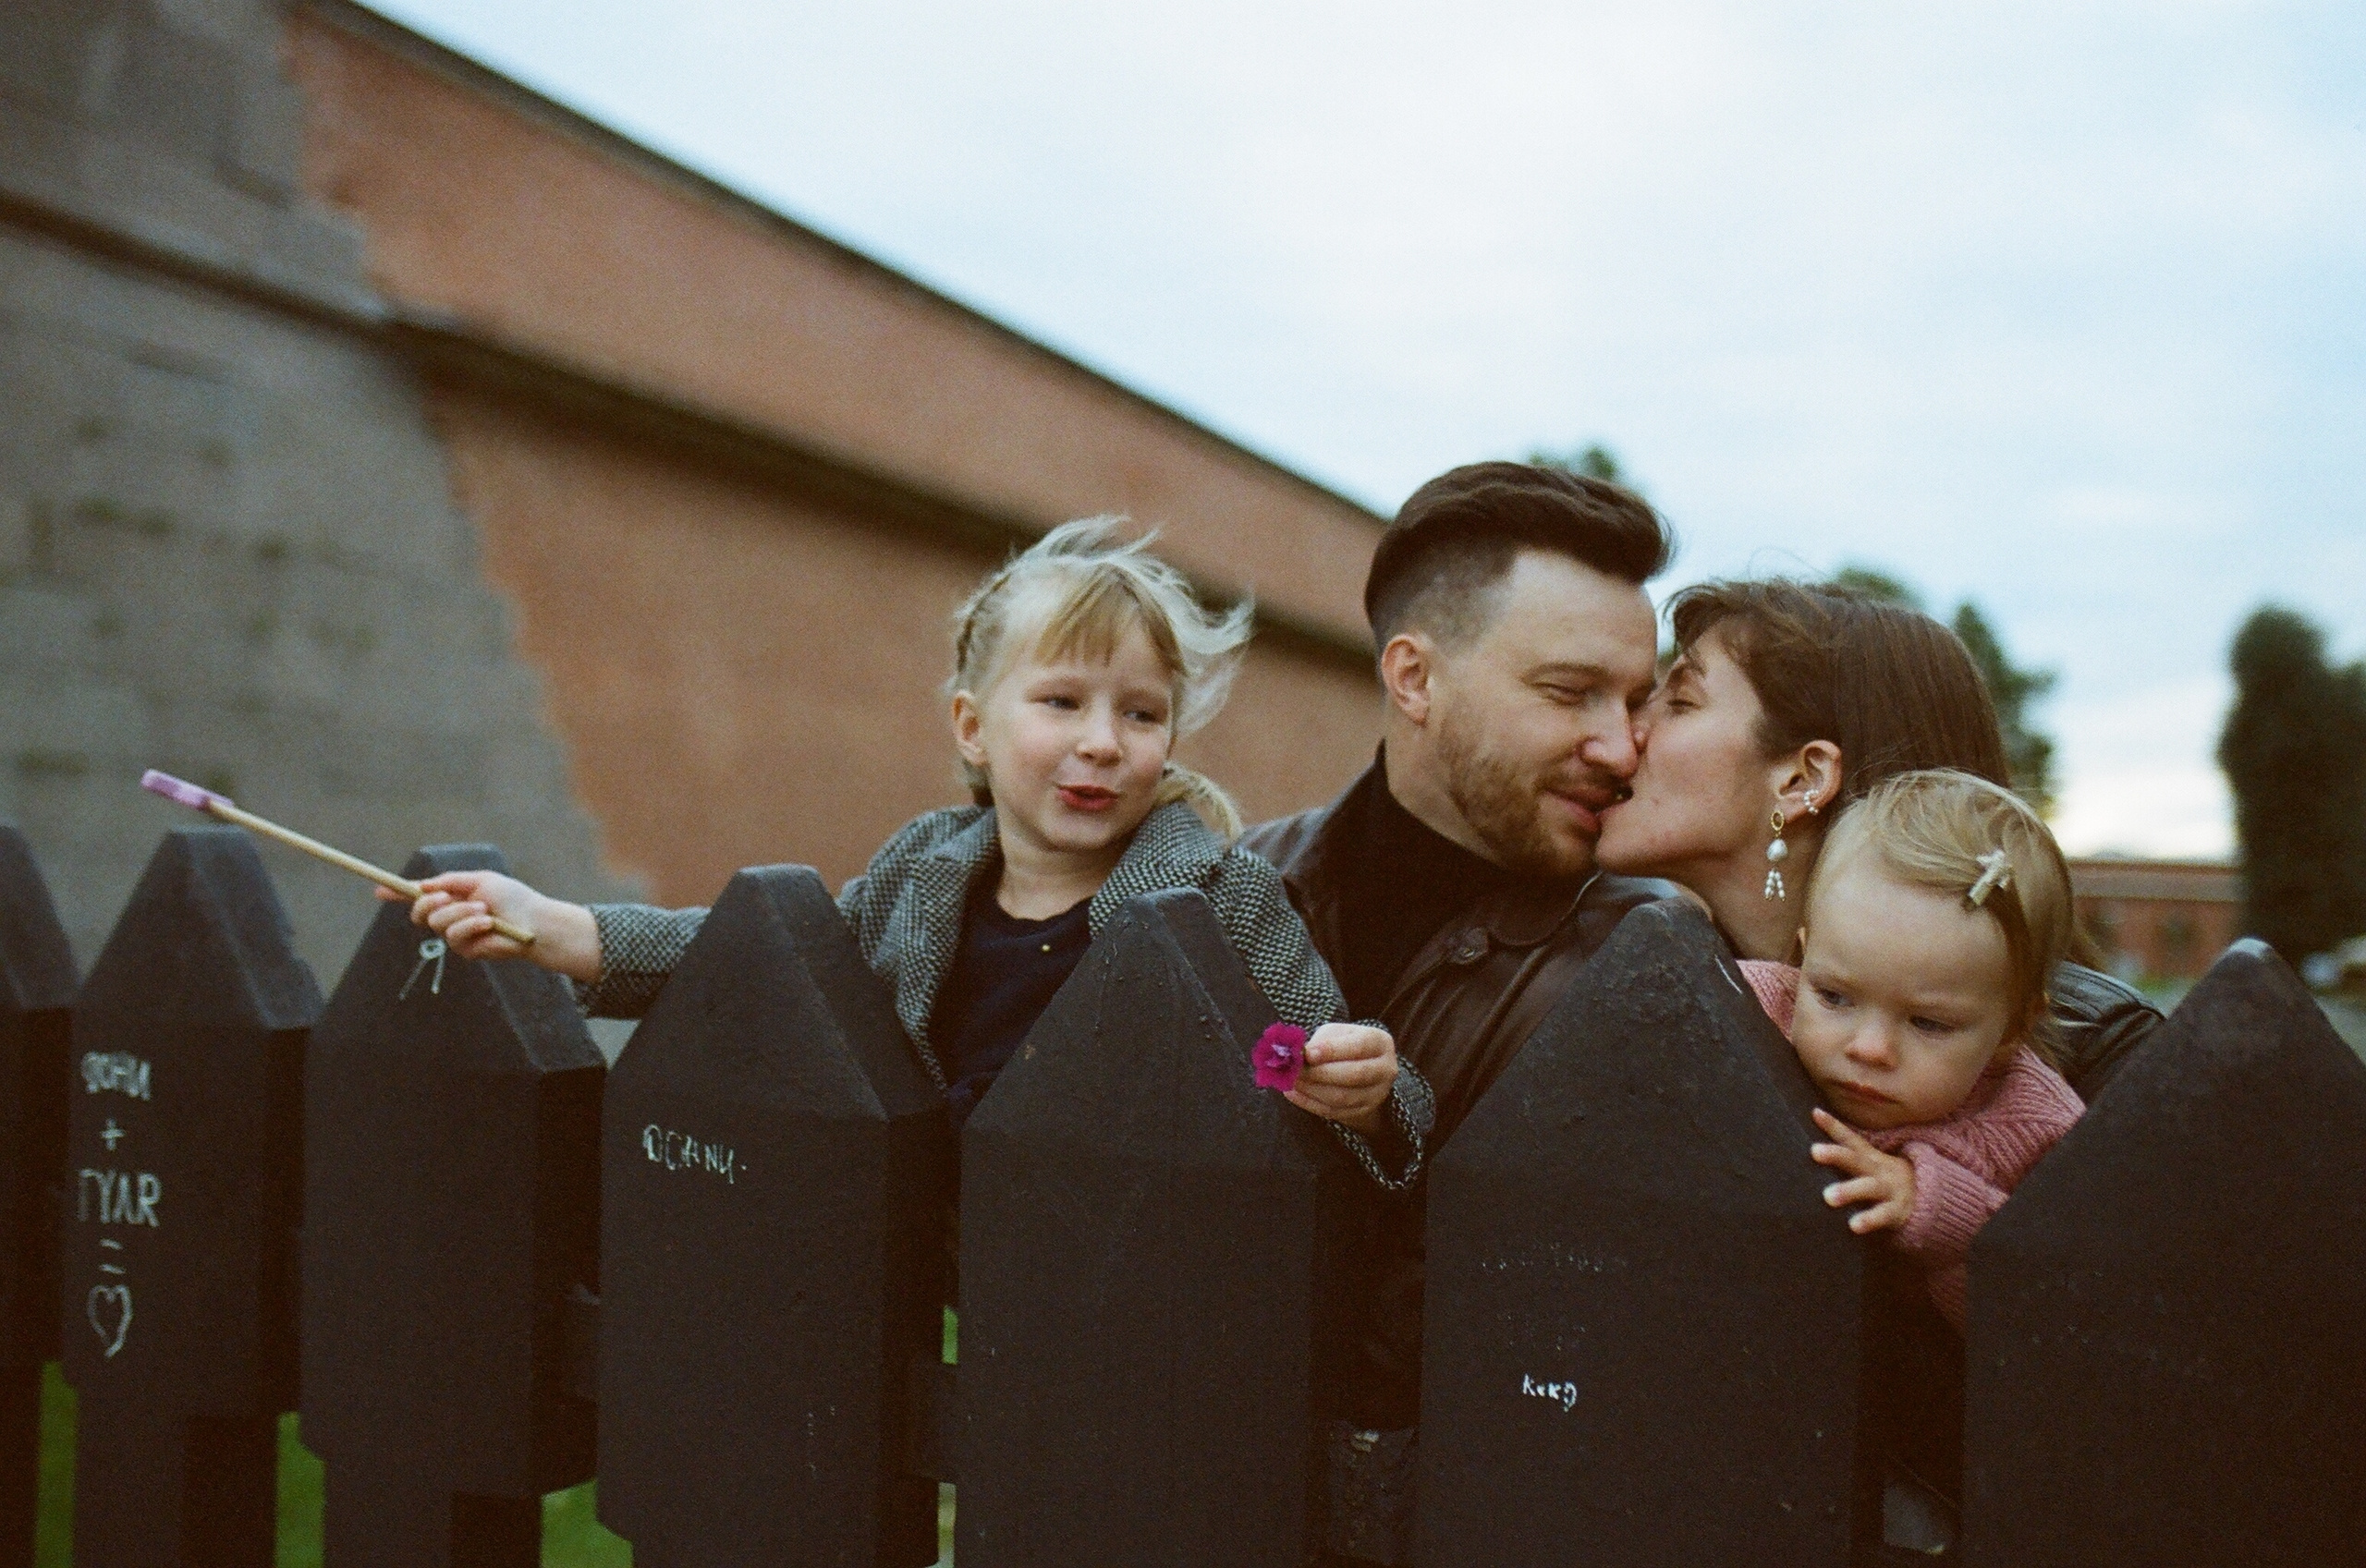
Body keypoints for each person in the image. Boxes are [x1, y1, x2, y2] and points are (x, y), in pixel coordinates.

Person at [387, 517, 1426, 1189]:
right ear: (973, 727)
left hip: (1147, 1278)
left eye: (1141, 712)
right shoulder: (920, 877)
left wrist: (1366, 1091)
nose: (1103, 741)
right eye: (1061, 701)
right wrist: (564, 929)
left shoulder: (1222, 896)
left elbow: (1357, 1083)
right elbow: (769, 956)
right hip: (946, 1281)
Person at [1238, 461, 1678, 1562]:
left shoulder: (1652, 960)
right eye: (1571, 691)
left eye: (1637, 702)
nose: (1622, 747)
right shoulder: (1230, 887)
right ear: (1414, 676)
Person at [1593, 577, 2161, 1101]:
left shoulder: (2107, 1066)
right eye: (1834, 998)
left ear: (1802, 780)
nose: (1628, 731)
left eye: (1682, 702)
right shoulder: (1651, 988)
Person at [1735, 770, 2084, 1331]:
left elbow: (2055, 1308)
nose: (1870, 1049)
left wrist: (1939, 1209)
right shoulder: (1742, 1012)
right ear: (1803, 957)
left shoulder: (2038, 1128)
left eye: (1928, 1023)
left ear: (2014, 1027)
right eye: (1833, 995)